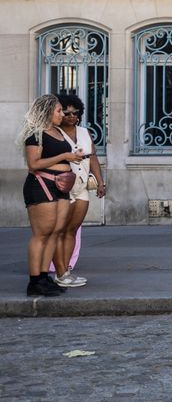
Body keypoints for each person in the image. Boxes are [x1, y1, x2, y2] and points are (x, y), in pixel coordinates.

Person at [18, 94, 84, 296]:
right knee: (42, 234)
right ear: (47, 112)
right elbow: (34, 164)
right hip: (41, 186)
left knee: (56, 232)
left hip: (61, 186)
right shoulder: (35, 135)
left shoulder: (57, 132)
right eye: (58, 110)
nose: (61, 114)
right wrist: (65, 156)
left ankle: (45, 275)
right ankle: (35, 279)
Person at [52, 93, 106, 287]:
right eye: (66, 113)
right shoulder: (54, 133)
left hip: (82, 184)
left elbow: (92, 158)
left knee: (72, 230)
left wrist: (101, 182)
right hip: (63, 186)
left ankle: (66, 270)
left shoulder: (84, 132)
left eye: (75, 113)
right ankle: (59, 271)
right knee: (61, 230)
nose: (71, 116)